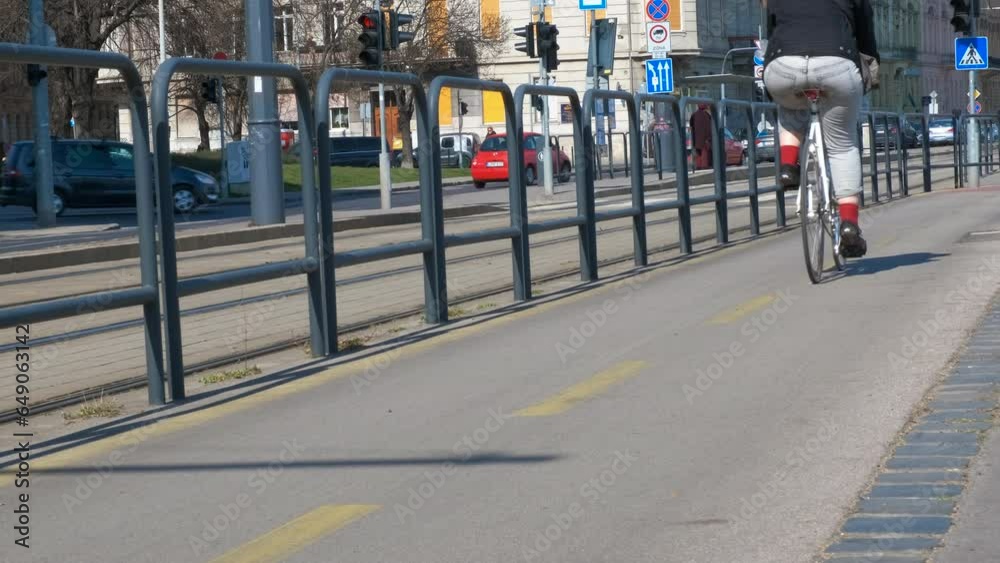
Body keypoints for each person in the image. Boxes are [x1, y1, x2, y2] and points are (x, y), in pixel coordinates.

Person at [761, 0, 878, 258]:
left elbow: (773, 30)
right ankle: (849, 226)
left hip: (783, 65)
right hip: (836, 64)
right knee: (841, 144)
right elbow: (866, 32)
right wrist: (871, 63)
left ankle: (788, 167)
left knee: (790, 108)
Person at [689, 104, 713, 171]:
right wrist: (709, 138)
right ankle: (704, 166)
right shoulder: (707, 115)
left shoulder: (694, 114)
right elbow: (709, 128)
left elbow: (691, 124)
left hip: (696, 138)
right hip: (705, 138)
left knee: (698, 152)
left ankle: (698, 166)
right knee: (704, 153)